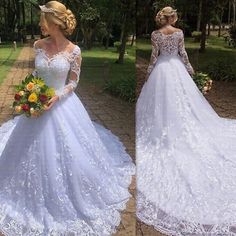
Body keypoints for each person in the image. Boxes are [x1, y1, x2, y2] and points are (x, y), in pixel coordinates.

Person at [0, 1, 134, 235]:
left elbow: (73, 82)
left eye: (42, 19)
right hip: (37, 103)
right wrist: (29, 91)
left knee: (67, 152)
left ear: (53, 21)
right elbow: (36, 72)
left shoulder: (74, 51)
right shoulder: (38, 45)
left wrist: (56, 97)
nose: (40, 23)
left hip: (62, 106)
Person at [136, 6, 236, 235]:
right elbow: (183, 54)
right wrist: (190, 71)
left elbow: (154, 56)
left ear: (162, 17)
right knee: (184, 103)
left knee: (162, 105)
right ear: (173, 17)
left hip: (162, 69)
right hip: (177, 69)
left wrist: (149, 73)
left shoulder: (155, 34)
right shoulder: (179, 33)